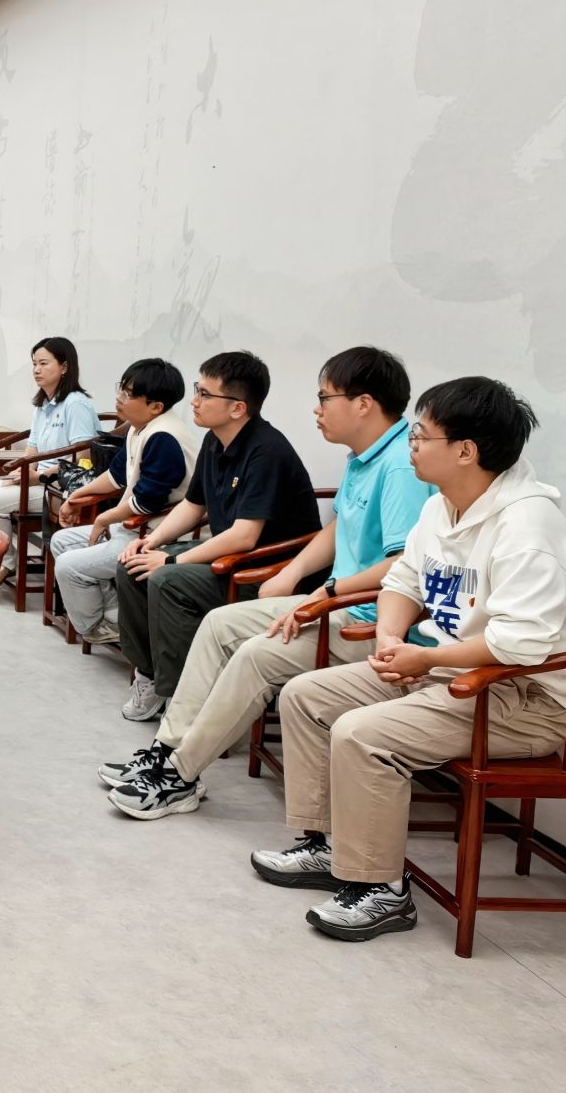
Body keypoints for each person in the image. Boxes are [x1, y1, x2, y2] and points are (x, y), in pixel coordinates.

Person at [251, 377, 566, 942]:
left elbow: (520, 644)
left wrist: (422, 659)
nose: (411, 444)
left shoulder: (528, 528)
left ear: (466, 451)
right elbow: (403, 580)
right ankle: (330, 847)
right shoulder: (442, 506)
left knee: (363, 734)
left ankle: (381, 891)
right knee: (306, 696)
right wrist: (391, 636)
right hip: (450, 670)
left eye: (421, 434)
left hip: (526, 698)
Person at [106, 347, 436, 818]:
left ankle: (180, 773)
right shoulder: (364, 457)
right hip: (328, 598)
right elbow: (339, 527)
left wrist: (323, 591)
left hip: (362, 614)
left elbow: (403, 564)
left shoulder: (399, 466)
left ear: (363, 404)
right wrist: (293, 572)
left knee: (249, 649)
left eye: (325, 398)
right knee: (217, 624)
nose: (316, 409)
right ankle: (168, 747)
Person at [111, 351, 321, 722]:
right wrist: (153, 543)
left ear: (238, 408)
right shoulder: (214, 440)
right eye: (197, 390)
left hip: (268, 567)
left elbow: (244, 537)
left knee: (167, 579)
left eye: (205, 394)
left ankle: (182, 698)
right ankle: (151, 674)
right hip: (230, 556)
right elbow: (193, 506)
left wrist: (171, 559)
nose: (195, 401)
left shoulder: (267, 451)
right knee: (132, 566)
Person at [48, 358, 197, 646]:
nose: (119, 398)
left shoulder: (164, 437)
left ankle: (95, 627)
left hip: (157, 536)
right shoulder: (139, 428)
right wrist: (77, 497)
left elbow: (148, 502)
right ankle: (117, 619)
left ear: (156, 406)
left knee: (68, 566)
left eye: (128, 394)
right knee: (62, 542)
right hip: (132, 528)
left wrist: (104, 518)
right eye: (122, 389)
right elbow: (116, 476)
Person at [0, 337, 99, 573]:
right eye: (34, 363)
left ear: (64, 367)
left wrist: (41, 476)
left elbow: (83, 459)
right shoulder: (42, 404)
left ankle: (4, 563)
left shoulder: (76, 404)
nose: (36, 370)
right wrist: (23, 472)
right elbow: (32, 450)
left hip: (57, 486)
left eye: (44, 363)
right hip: (36, 480)